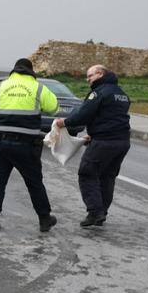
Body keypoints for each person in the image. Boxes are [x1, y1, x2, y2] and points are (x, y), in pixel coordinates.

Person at [0, 58, 59, 232]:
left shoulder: (0, 87)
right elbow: (54, 108)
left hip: (1, 144)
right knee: (35, 184)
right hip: (27, 146)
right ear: (31, 71)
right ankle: (44, 219)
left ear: (14, 70)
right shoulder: (38, 88)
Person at [53, 64, 131, 227]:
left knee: (87, 174)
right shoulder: (121, 93)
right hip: (122, 141)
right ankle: (102, 212)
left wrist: (64, 122)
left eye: (90, 76)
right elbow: (109, 117)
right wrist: (93, 134)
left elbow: (84, 114)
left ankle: (95, 212)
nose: (88, 80)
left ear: (101, 74)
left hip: (104, 142)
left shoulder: (99, 93)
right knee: (107, 177)